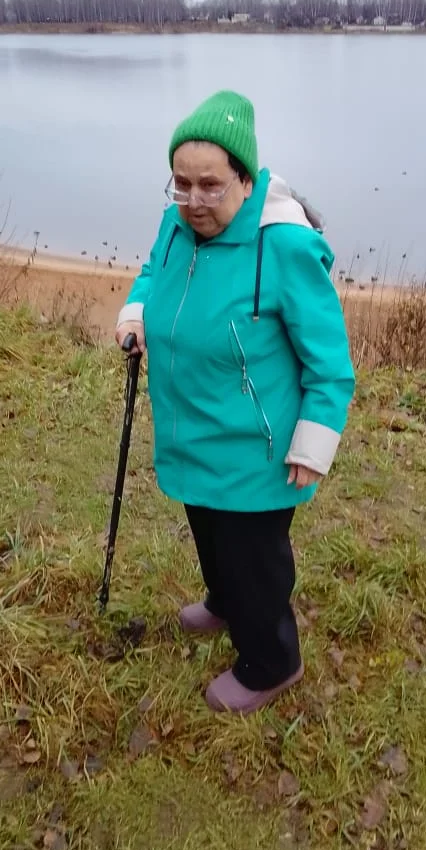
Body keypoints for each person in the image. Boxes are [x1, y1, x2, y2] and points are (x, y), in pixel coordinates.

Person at [115, 90, 355, 714]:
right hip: (190, 427)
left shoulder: (285, 247)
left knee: (255, 562)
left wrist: (314, 443)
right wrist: (137, 311)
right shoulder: (176, 224)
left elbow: (330, 363)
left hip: (256, 449)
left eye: (211, 186)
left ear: (246, 181)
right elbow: (153, 272)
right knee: (209, 532)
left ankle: (271, 662)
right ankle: (224, 602)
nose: (194, 201)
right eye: (182, 183)